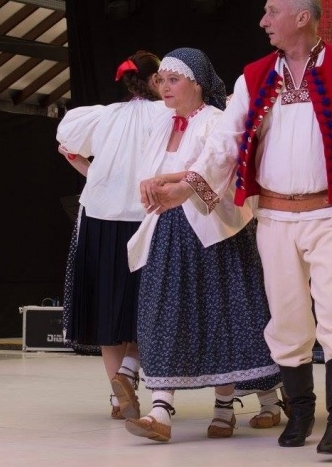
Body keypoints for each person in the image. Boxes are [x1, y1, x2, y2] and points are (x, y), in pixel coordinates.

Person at [139, 0, 332, 455]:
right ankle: (299, 411)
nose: (263, 20)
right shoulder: (254, 76)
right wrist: (187, 187)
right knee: (286, 316)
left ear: (302, 17)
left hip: (331, 213)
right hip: (276, 217)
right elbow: (227, 144)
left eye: (271, 11)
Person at [124, 48, 282, 444]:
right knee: (164, 312)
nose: (164, 87)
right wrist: (154, 186)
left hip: (215, 232)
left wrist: (170, 182)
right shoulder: (161, 125)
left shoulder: (216, 121)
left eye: (173, 79)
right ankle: (159, 410)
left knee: (224, 313)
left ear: (196, 83)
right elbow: (148, 174)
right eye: (160, 80)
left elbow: (224, 170)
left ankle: (226, 408)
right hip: (167, 230)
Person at [56, 51, 168, 421]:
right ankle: (129, 372)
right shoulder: (167, 115)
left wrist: (88, 169)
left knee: (108, 307)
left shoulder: (102, 116)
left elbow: (70, 152)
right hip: (148, 215)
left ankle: (120, 398)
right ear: (155, 81)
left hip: (100, 218)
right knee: (143, 303)